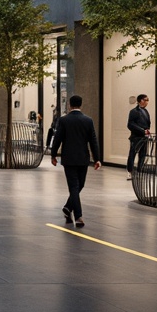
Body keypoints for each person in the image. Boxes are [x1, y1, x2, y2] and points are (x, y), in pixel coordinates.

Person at [51, 94, 101, 228]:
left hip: (68, 159)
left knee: (76, 186)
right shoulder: (88, 120)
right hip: (83, 158)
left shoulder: (64, 120)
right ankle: (78, 216)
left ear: (69, 105)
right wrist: (97, 159)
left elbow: (58, 138)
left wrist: (53, 154)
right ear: (81, 105)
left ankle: (68, 208)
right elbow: (93, 141)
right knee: (79, 185)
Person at [126, 93, 151, 180]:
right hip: (136, 137)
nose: (147, 102)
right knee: (132, 154)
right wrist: (142, 130)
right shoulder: (134, 111)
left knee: (143, 154)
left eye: (148, 100)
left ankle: (140, 171)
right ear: (140, 101)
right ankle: (130, 171)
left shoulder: (146, 111)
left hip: (144, 137)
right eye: (145, 100)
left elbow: (147, 124)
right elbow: (130, 124)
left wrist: (147, 131)